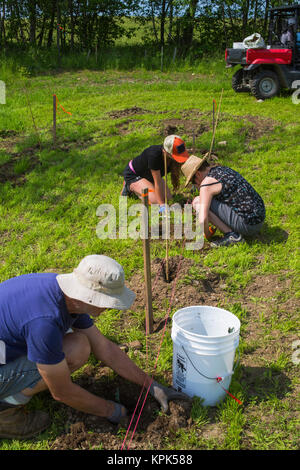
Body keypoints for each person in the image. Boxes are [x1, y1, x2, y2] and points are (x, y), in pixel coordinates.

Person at [0, 254, 187, 439]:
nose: (111, 308)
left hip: (5, 349)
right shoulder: (44, 323)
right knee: (74, 351)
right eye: (109, 302)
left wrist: (151, 385)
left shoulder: (65, 296)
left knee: (78, 345)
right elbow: (62, 392)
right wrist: (111, 411)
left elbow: (104, 347)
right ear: (90, 298)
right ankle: (5, 410)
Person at [181, 155, 265, 247]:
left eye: (194, 182)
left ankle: (232, 235)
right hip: (259, 218)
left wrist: (208, 235)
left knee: (197, 201)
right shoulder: (222, 169)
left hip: (248, 225)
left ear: (198, 174)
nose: (196, 185)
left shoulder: (207, 183)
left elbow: (202, 220)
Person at [121, 135, 189, 212]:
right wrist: (162, 205)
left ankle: (147, 185)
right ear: (165, 152)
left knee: (168, 198)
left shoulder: (174, 155)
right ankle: (129, 186)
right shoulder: (154, 155)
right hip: (134, 175)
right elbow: (158, 181)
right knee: (155, 201)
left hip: (149, 176)